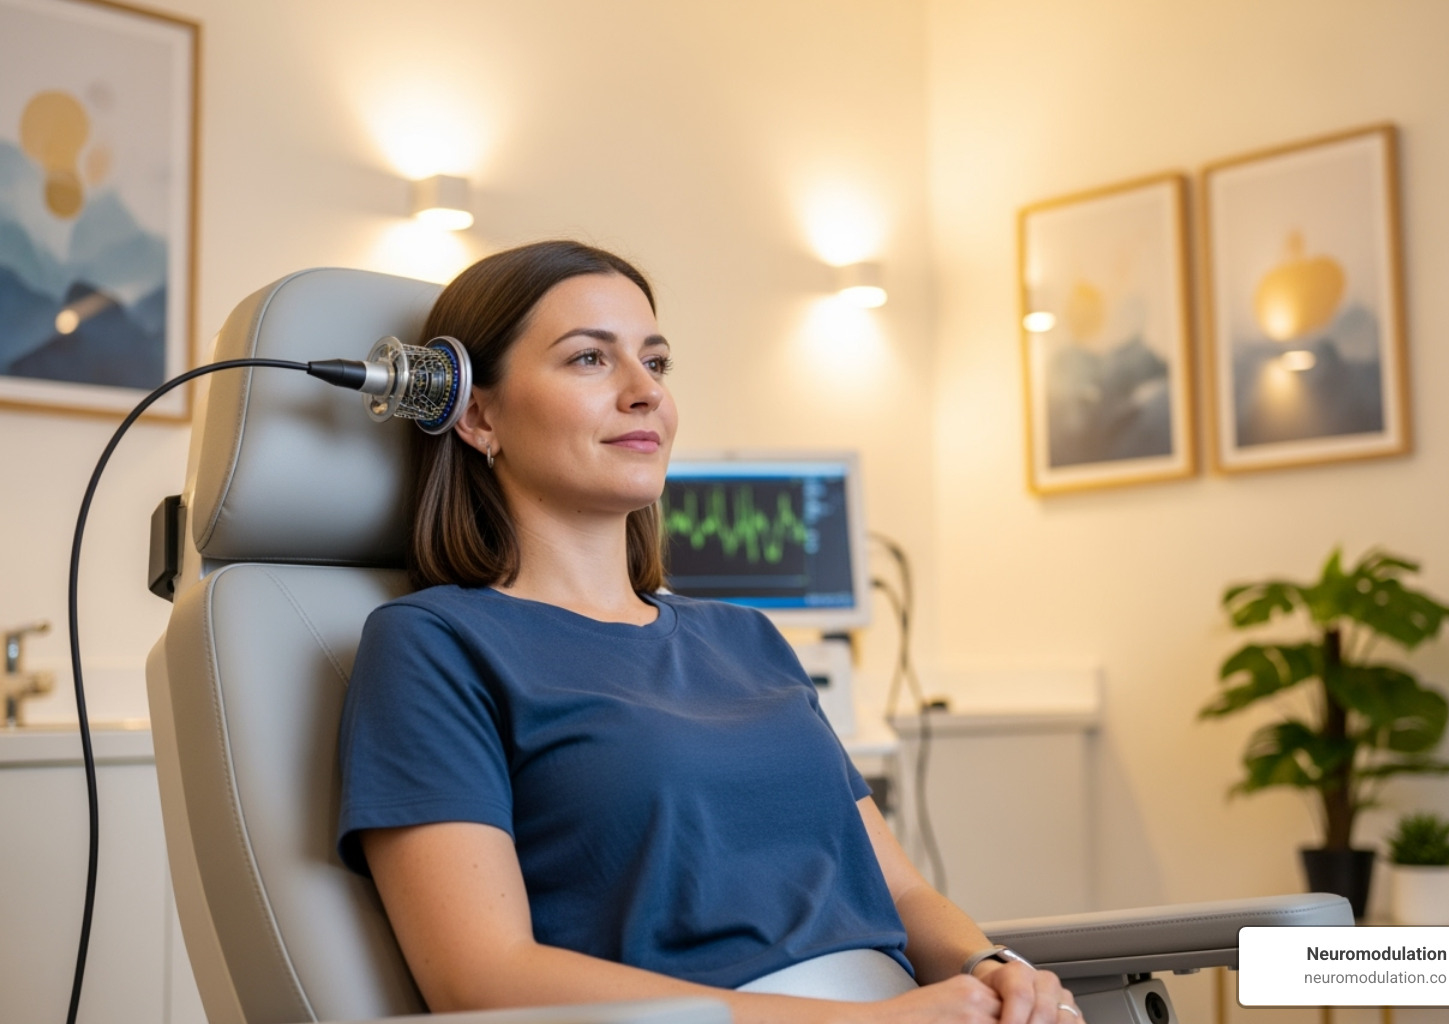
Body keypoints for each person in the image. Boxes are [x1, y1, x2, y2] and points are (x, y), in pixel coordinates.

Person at [336, 240, 1083, 1024]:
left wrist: (994, 970)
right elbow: (483, 978)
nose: (644, 393)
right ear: (477, 414)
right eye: (589, 359)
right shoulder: (435, 646)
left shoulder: (744, 638)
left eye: (655, 362)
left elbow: (900, 890)